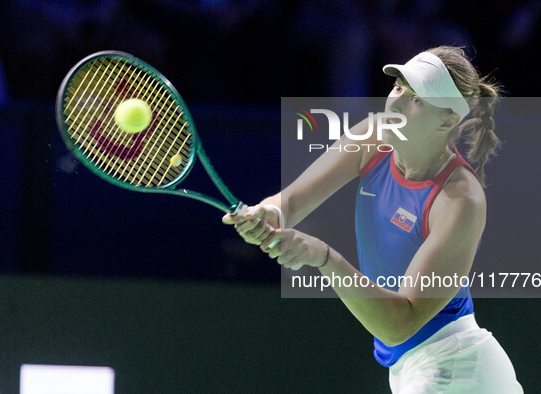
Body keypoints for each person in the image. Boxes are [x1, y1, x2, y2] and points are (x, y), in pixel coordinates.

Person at [223, 46, 523, 393]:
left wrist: (322, 256)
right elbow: (289, 201)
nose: (394, 104)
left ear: (447, 120)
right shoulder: (373, 137)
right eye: (397, 88)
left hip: (455, 368)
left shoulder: (459, 200)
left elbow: (400, 323)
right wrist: (270, 213)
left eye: (416, 99)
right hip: (412, 367)